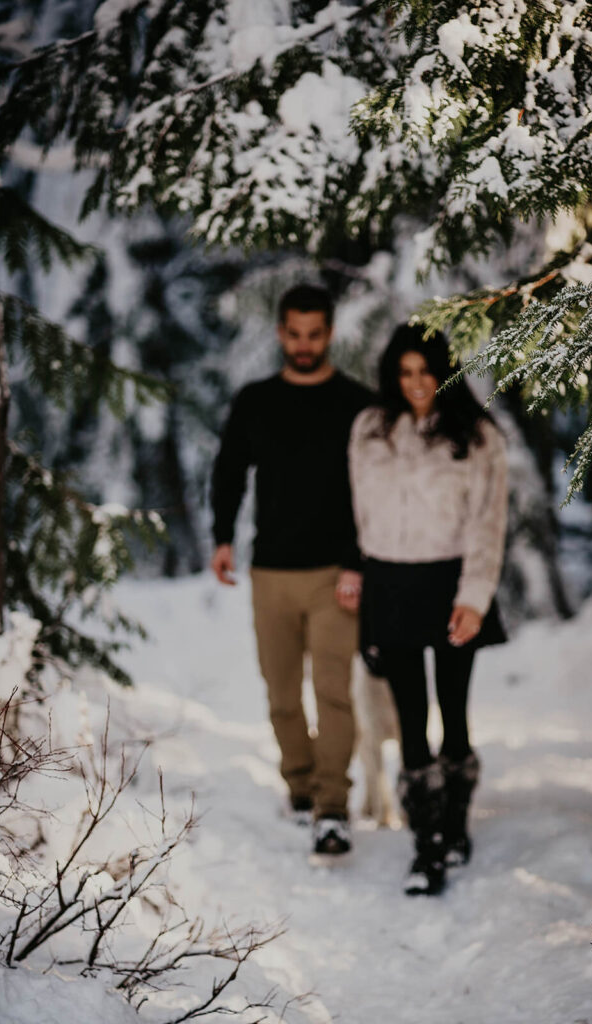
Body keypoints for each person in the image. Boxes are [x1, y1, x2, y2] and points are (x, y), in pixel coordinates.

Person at [211, 283, 372, 856]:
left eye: (315, 334)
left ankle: (333, 807)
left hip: (335, 576)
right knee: (281, 695)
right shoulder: (255, 401)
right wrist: (222, 537)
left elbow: (371, 491)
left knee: (332, 693)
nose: (304, 345)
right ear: (281, 333)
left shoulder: (357, 403)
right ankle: (300, 789)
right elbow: (229, 469)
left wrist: (357, 562)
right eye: (295, 333)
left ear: (329, 334)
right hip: (271, 573)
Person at [348, 323, 508, 895]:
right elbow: (357, 514)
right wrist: (362, 581)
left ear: (445, 372)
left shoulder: (480, 436)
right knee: (409, 719)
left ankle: (456, 822)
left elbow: (489, 525)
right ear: (394, 375)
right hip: (390, 582)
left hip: (452, 582)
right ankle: (427, 846)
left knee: (454, 712)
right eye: (406, 372)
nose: (417, 383)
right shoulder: (370, 429)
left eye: (427, 371)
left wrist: (473, 598)